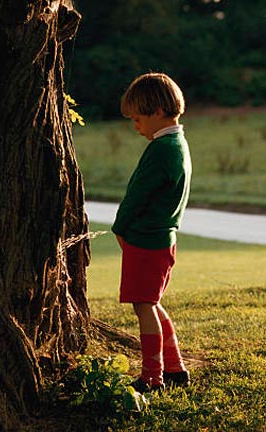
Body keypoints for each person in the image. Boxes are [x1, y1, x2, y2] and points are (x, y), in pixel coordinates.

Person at [111, 72, 192, 393]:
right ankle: (176, 369)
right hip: (162, 239)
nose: (136, 127)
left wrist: (120, 228)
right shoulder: (178, 143)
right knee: (152, 303)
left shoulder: (161, 150)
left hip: (146, 239)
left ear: (158, 111)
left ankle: (152, 377)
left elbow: (137, 195)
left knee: (144, 306)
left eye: (138, 119)